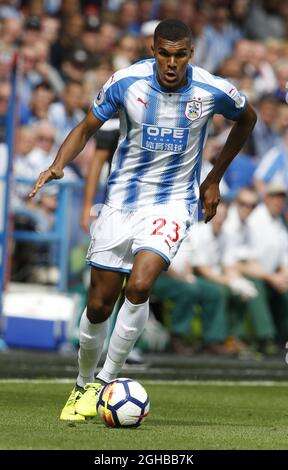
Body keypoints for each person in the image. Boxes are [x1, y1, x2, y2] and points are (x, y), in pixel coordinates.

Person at [29, 19, 257, 421]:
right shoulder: (126, 82)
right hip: (120, 204)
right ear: (153, 50)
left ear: (191, 53)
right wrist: (58, 165)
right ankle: (82, 383)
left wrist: (213, 178)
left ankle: (104, 383)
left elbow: (248, 119)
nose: (172, 63)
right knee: (98, 305)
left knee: (140, 285)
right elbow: (86, 126)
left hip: (171, 204)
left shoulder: (212, 90)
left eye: (180, 54)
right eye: (164, 53)